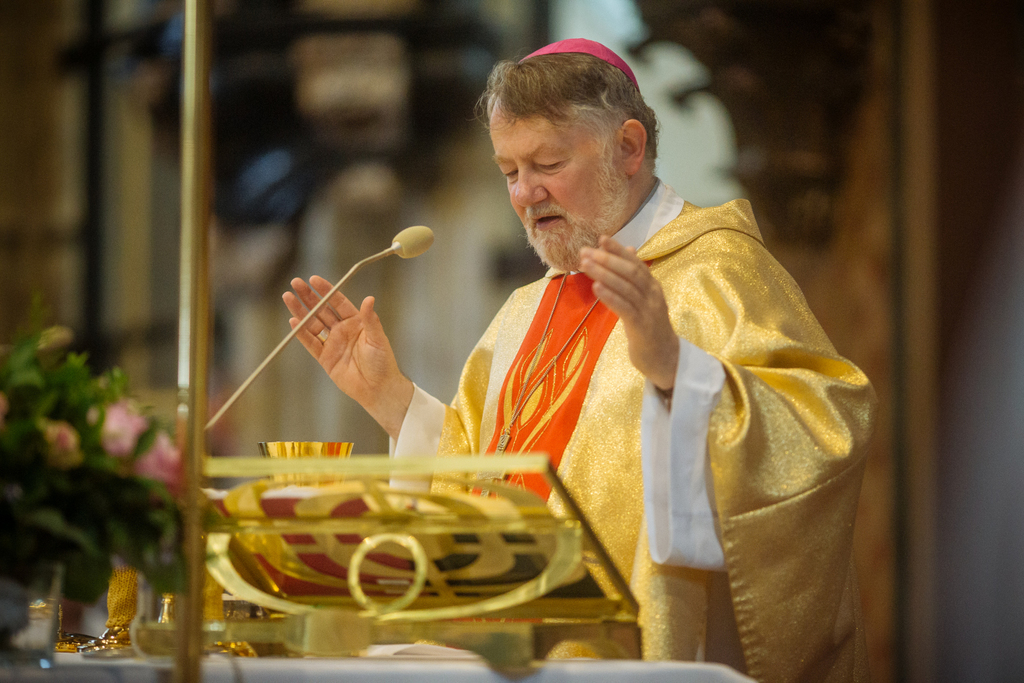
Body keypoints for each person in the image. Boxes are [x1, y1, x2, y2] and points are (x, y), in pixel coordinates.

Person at [283, 38, 876, 683]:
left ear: (629, 147)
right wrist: (393, 400)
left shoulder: (716, 272)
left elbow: (825, 430)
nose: (525, 193)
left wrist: (680, 373)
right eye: (508, 171)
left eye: (548, 163)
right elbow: (479, 477)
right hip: (504, 651)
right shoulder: (525, 310)